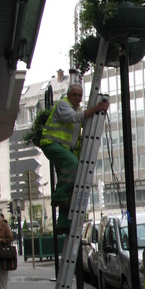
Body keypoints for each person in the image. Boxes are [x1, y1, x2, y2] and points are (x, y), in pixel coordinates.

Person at [40, 83, 108, 229]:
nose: (77, 98)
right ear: (69, 95)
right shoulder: (63, 105)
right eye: (74, 95)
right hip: (51, 143)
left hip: (63, 148)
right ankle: (59, 196)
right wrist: (97, 108)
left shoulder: (76, 109)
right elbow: (76, 118)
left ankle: (63, 223)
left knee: (71, 186)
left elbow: (77, 132)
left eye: (79, 95)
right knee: (72, 164)